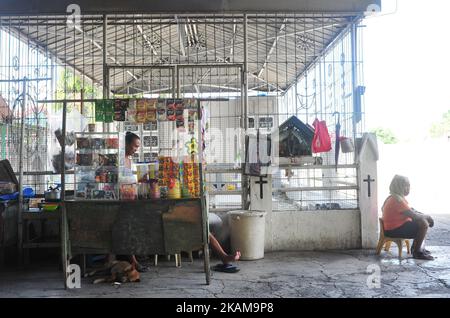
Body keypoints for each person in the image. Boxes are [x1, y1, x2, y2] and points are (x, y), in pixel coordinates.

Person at [381, 175, 435, 260]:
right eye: (405, 185)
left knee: (422, 221)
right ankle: (417, 252)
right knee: (423, 223)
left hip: (392, 228)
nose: (408, 188)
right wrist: (428, 217)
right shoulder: (397, 200)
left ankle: (418, 248)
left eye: (409, 185)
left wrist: (423, 216)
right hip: (394, 230)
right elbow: (415, 216)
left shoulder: (394, 197)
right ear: (398, 186)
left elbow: (411, 211)